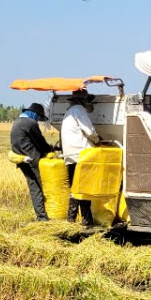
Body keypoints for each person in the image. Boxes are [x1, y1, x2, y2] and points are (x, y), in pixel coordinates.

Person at [60, 90, 101, 225]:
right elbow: (89, 130)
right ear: (83, 100)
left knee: (74, 188)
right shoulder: (79, 110)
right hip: (81, 155)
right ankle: (86, 221)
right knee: (84, 188)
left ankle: (71, 219)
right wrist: (97, 140)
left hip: (70, 156)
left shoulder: (69, 111)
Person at [10, 102, 54, 221]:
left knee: (33, 185)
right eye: (39, 117)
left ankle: (41, 215)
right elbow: (40, 142)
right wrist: (50, 149)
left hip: (21, 159)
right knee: (38, 187)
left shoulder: (17, 122)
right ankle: (42, 217)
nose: (39, 120)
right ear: (34, 114)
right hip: (32, 159)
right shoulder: (30, 123)